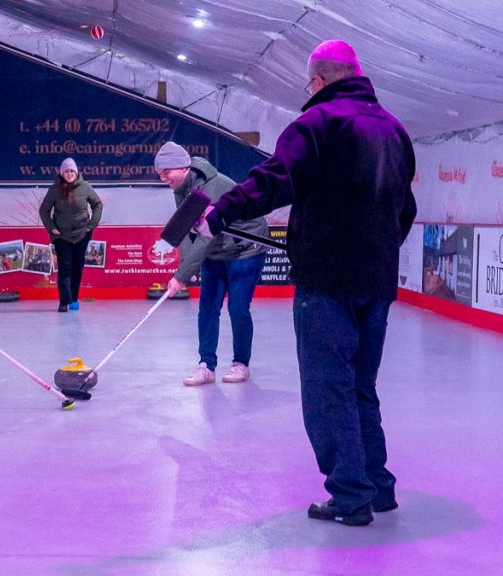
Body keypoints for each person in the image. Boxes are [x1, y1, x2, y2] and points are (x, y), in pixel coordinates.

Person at [193, 40, 417, 526]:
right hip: (376, 281)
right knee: (361, 386)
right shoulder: (396, 131)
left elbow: (274, 179)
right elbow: (405, 211)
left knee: (327, 387)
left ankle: (350, 495)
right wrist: (374, 252)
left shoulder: (318, 123)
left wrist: (222, 210)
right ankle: (377, 487)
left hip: (327, 282)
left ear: (317, 81)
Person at [155, 142, 269, 386]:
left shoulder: (213, 187)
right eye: (160, 173)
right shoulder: (181, 188)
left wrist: (181, 276)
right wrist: (184, 270)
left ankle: (241, 363)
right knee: (207, 308)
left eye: (166, 172)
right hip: (217, 251)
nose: (163, 177)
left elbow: (206, 234)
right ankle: (206, 365)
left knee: (237, 308)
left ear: (183, 167)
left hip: (245, 250)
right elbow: (186, 229)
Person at [39, 157, 103, 312]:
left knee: (77, 268)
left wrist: (91, 225)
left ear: (76, 172)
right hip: (62, 236)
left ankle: (74, 299)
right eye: (66, 171)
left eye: (72, 171)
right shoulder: (55, 189)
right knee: (65, 268)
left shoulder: (85, 187)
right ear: (62, 173)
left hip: (82, 234)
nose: (69, 174)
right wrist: (52, 228)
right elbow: (44, 210)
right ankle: (64, 301)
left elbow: (97, 204)